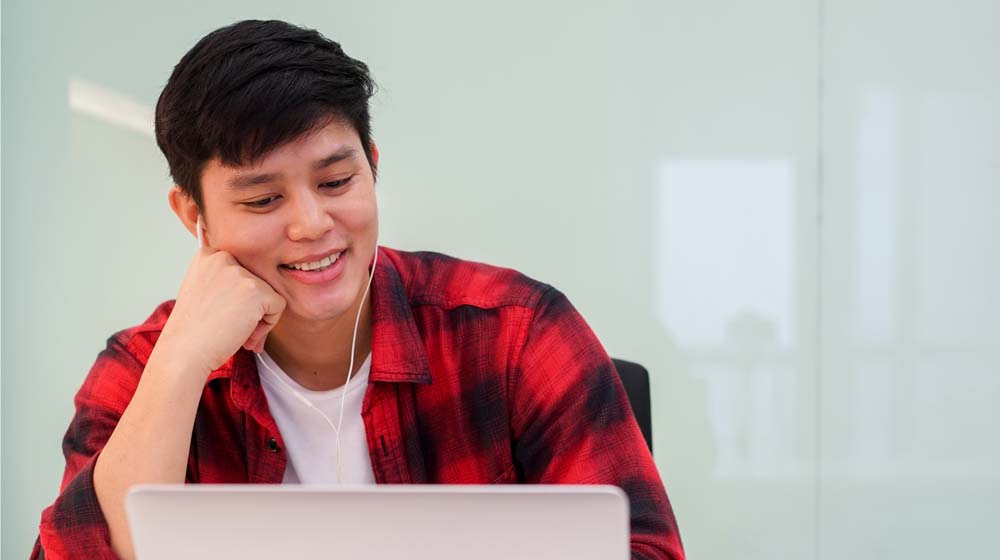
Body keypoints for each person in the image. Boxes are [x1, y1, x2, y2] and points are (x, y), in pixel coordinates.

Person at [32, 19, 684, 560]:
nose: (312, 225)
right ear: (192, 215)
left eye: (337, 182)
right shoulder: (143, 366)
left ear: (372, 166)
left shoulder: (516, 333)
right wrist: (177, 369)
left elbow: (645, 550)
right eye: (262, 198)